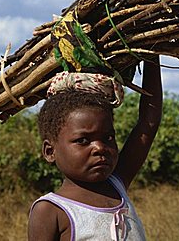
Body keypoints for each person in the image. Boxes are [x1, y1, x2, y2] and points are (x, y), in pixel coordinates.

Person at [28, 56, 162, 241]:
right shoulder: (51, 210)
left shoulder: (117, 184)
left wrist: (152, 55)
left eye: (108, 138)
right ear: (50, 151)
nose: (100, 148)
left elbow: (149, 121)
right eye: (83, 140)